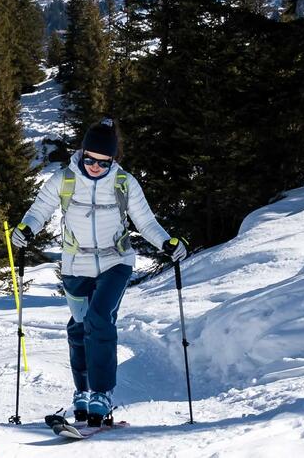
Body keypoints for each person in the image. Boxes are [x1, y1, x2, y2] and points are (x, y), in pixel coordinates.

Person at [11, 118, 188, 426]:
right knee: (79, 328)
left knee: (99, 319)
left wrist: (167, 242)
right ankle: (82, 392)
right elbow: (39, 210)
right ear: (82, 153)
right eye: (90, 159)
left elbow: (145, 222)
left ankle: (102, 394)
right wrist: (26, 229)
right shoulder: (64, 180)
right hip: (75, 265)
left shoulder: (124, 183)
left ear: (113, 160)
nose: (94, 166)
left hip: (115, 262)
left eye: (102, 162)